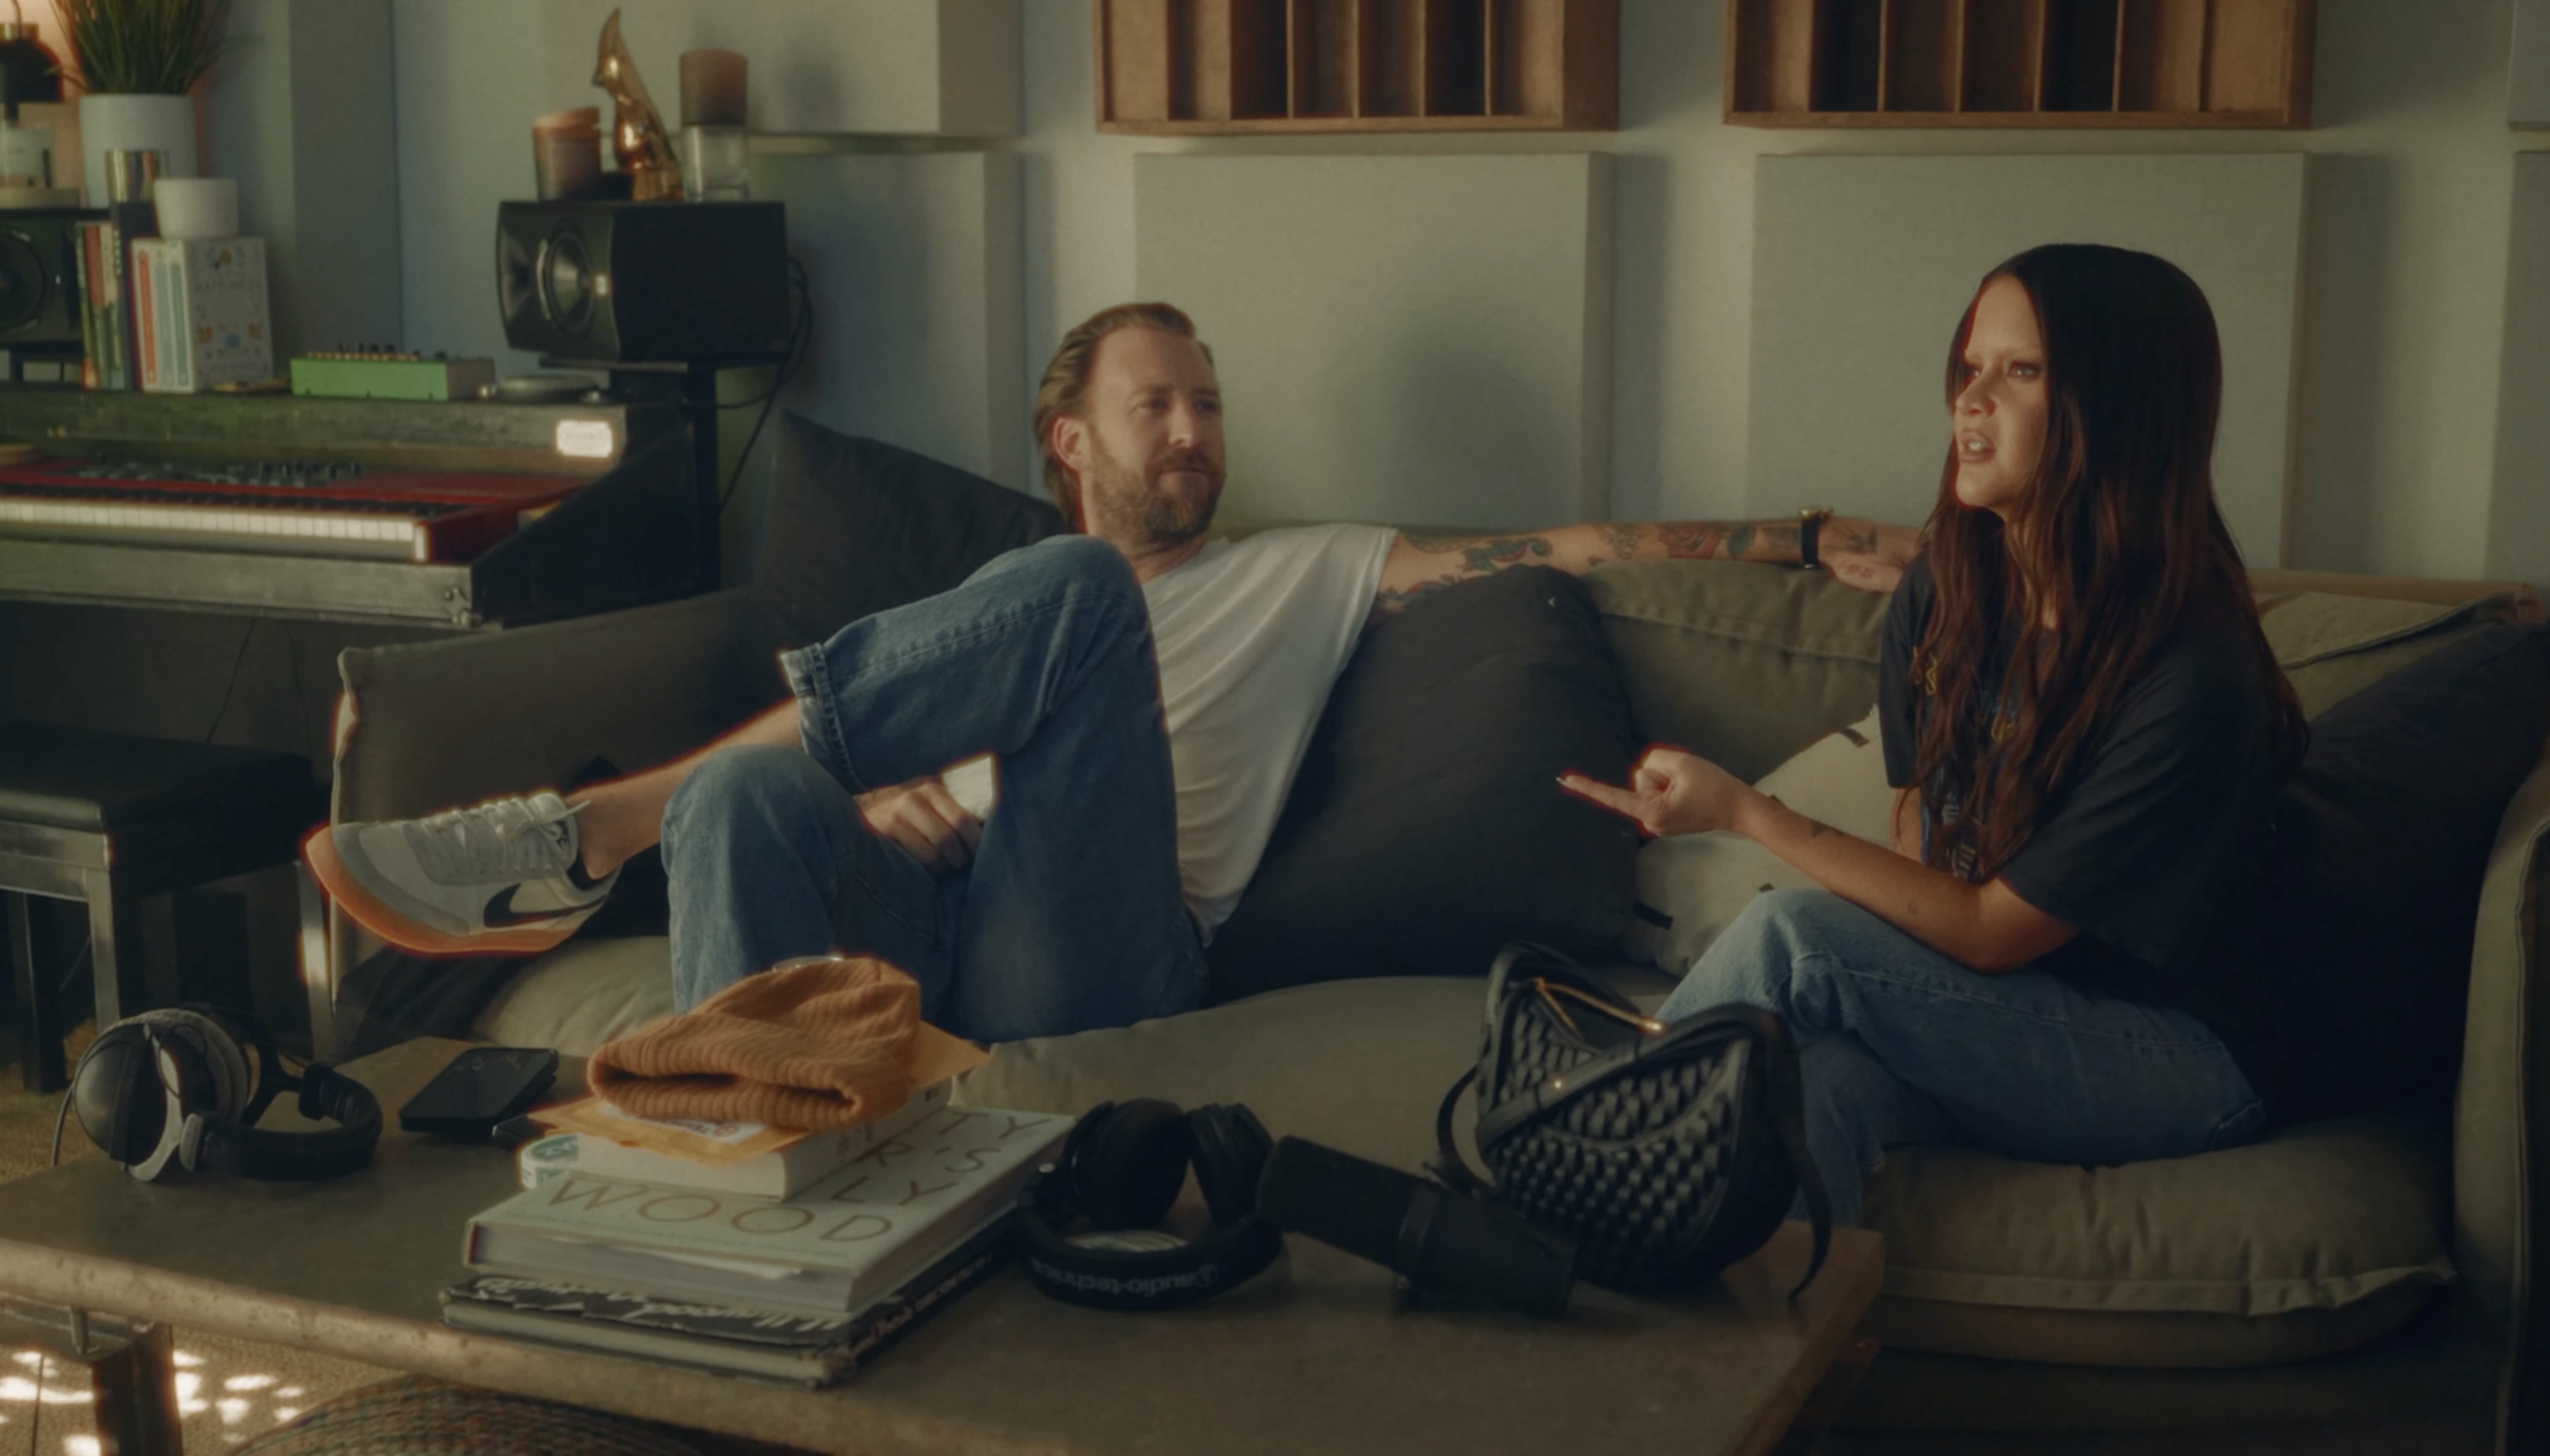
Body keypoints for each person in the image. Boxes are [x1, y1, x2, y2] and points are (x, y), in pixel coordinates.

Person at [306, 301, 1918, 1045]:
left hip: (1108, 953)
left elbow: (1562, 550)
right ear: (1071, 436)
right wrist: (874, 798)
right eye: (1160, 406)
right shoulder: (1000, 606)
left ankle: (586, 833)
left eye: (1210, 405)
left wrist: (1801, 530)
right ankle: (734, 1156)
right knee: (741, 792)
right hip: (927, 915)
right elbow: (881, 747)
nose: (1198, 434)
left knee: (1067, 597)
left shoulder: (1307, 569)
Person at [1561, 245, 2307, 1223]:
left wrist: (1746, 811)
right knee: (1799, 1092)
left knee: (1797, 938)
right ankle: (1746, 1359)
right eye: (1970, 365)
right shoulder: (1947, 592)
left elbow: (1992, 932)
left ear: (2117, 408)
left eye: (2022, 371)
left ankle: (1563, 1147)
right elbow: (1924, 831)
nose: (1971, 398)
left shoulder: (2191, 674)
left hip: (2184, 1059)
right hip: (2004, 1017)